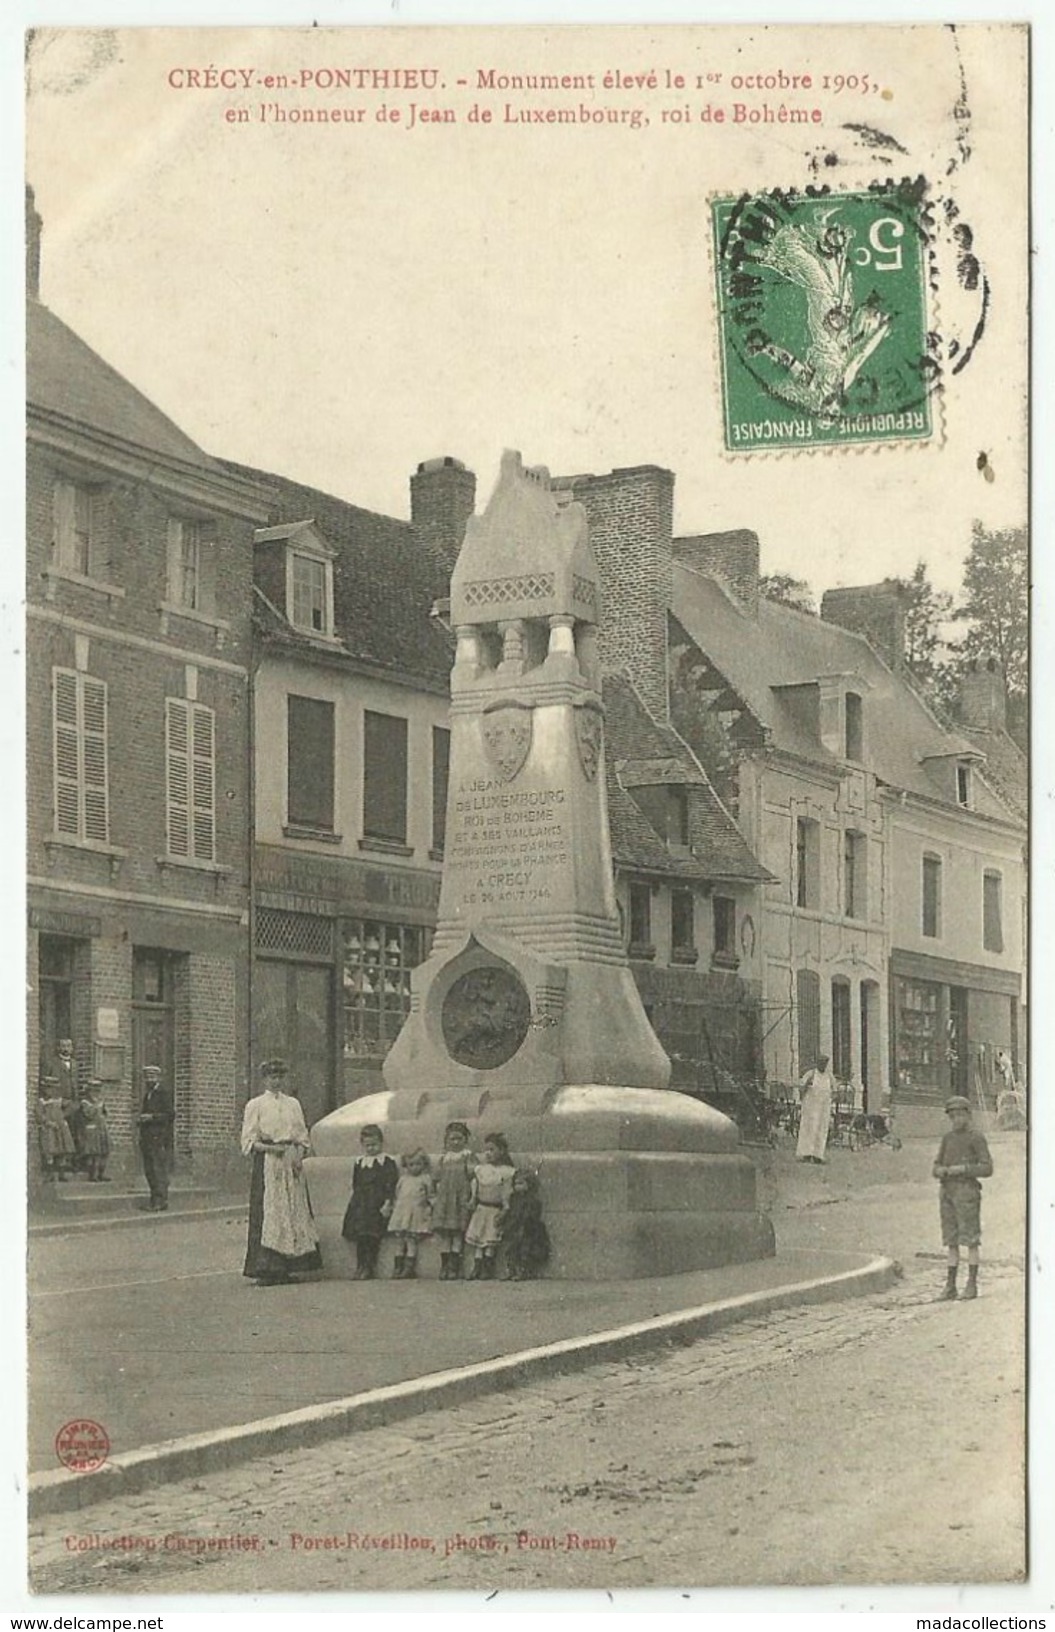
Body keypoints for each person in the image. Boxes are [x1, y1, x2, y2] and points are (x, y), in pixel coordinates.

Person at [240, 1058, 322, 1287]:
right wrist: (270, 1148)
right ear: (264, 1079)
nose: (276, 1081)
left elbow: (301, 1134)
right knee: (271, 1211)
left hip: (290, 1159)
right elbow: (248, 1140)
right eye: (271, 1077)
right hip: (268, 1161)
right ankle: (267, 1268)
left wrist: (298, 1156)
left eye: (279, 1077)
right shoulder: (255, 1105)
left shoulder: (293, 1104)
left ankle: (290, 1266)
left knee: (293, 1209)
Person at [933, 1094, 994, 1301]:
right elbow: (936, 1164)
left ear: (968, 1115)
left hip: (967, 1192)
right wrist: (939, 1170)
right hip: (947, 1192)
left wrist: (964, 1169)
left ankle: (971, 1283)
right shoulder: (947, 1138)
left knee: (970, 1239)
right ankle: (950, 1285)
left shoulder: (976, 1137)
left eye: (960, 1115)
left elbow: (987, 1168)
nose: (956, 1119)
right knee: (951, 1239)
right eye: (952, 1116)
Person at [341, 1124, 399, 1280]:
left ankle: (369, 1266)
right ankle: (360, 1266)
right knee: (361, 1236)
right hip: (361, 1204)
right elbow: (356, 1183)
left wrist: (388, 1202)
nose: (371, 1148)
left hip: (376, 1204)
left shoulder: (386, 1161)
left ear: (381, 1142)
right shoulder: (360, 1162)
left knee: (372, 1236)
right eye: (367, 1145)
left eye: (374, 1144)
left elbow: (391, 1183)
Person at [465, 1131, 516, 1280]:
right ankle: (477, 1267)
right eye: (486, 1150)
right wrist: (473, 1199)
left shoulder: (506, 1172)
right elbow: (475, 1184)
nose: (488, 1153)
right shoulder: (481, 1170)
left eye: (492, 1149)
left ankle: (487, 1267)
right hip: (481, 1209)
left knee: (489, 1241)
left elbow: (506, 1192)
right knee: (478, 1239)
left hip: (494, 1209)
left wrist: (505, 1208)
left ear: (502, 1151)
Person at [432, 1120, 476, 1281]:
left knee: (457, 1233)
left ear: (465, 1140)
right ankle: (444, 1265)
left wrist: (471, 1197)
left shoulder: (467, 1156)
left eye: (459, 1138)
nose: (456, 1142)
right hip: (445, 1200)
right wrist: (435, 1198)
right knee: (445, 1234)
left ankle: (454, 1266)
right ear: (446, 1141)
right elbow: (436, 1179)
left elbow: (473, 1177)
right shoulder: (444, 1158)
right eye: (452, 1139)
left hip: (460, 1198)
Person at [387, 1149, 434, 1279]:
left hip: (416, 1212)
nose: (414, 1167)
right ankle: (398, 1267)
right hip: (402, 1213)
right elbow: (397, 1194)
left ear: (424, 1164)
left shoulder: (425, 1179)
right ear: (406, 1166)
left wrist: (430, 1208)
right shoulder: (403, 1179)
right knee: (400, 1241)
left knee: (411, 1240)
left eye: (418, 1164)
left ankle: (409, 1268)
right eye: (411, 1165)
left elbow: (430, 1195)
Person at [500, 1168, 551, 1281]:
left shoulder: (532, 1200)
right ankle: (511, 1270)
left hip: (527, 1228)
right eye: (516, 1184)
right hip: (514, 1227)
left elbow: (532, 1216)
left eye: (521, 1183)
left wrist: (525, 1222)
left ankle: (523, 1271)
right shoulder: (514, 1198)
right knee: (510, 1251)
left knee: (524, 1251)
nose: (517, 1187)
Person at [137, 1064, 175, 1211]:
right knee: (150, 1170)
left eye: (152, 1077)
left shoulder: (163, 1093)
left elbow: (170, 1114)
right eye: (147, 1077)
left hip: (158, 1137)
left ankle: (160, 1200)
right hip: (148, 1137)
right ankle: (154, 1200)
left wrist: (151, 1117)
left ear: (158, 1078)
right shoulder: (148, 1094)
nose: (149, 1080)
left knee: (158, 1169)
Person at [796, 1053, 834, 1163]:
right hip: (811, 1107)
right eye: (821, 1063)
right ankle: (806, 1153)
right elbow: (801, 1088)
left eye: (825, 1063)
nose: (823, 1065)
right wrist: (806, 1088)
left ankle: (818, 1155)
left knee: (821, 1130)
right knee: (809, 1129)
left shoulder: (829, 1076)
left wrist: (831, 1100)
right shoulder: (810, 1074)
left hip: (823, 1108)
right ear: (817, 1063)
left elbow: (835, 1090)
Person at [36, 1076, 76, 1181]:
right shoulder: (42, 1101)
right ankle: (50, 1174)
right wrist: (47, 1122)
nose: (51, 1091)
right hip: (49, 1129)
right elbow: (39, 1115)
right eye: (48, 1088)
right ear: (44, 1089)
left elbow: (72, 1106)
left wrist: (63, 1116)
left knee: (62, 1150)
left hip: (60, 1128)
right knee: (50, 1150)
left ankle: (61, 1174)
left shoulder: (59, 1100)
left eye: (53, 1088)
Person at [78, 1079, 111, 1182]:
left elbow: (105, 1113)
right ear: (88, 1091)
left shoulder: (101, 1101)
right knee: (94, 1153)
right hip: (91, 1128)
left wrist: (104, 1113)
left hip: (101, 1128)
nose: (96, 1093)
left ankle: (101, 1174)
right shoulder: (85, 1102)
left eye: (97, 1090)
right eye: (93, 1091)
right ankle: (92, 1174)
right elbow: (88, 1114)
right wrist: (96, 1106)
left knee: (104, 1152)